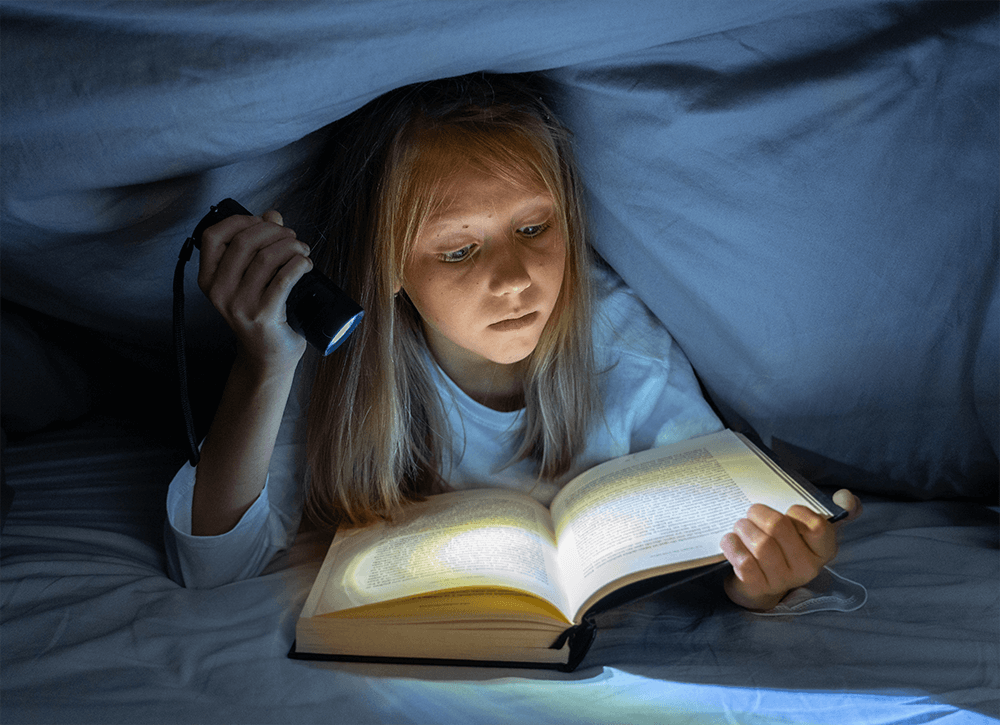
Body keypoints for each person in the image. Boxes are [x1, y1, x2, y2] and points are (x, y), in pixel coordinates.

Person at [164, 72, 860, 611]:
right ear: (390, 264)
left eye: (533, 230)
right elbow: (213, 564)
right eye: (460, 250)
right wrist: (265, 362)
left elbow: (729, 529)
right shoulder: (347, 358)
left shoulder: (613, 337)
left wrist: (762, 578)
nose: (513, 279)